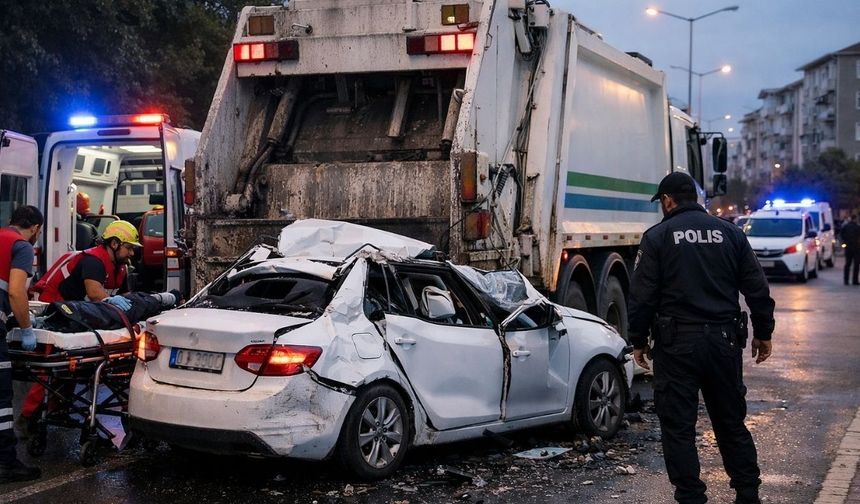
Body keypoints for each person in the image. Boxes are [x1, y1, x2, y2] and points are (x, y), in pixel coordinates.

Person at [628, 172, 775, 504]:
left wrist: (638, 340)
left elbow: (642, 296)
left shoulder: (658, 237)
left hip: (677, 344)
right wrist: (764, 333)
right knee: (729, 421)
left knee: (679, 426)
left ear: (667, 201)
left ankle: (691, 496)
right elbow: (756, 287)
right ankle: (748, 493)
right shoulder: (731, 233)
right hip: (724, 341)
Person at [21, 220, 141, 427]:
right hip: (53, 309)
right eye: (128, 248)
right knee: (53, 367)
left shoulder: (120, 268)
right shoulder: (94, 261)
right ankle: (28, 416)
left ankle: (58, 409)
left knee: (71, 367)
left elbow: (124, 297)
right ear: (114, 244)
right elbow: (96, 294)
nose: (131, 253)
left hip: (73, 311)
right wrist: (110, 304)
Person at [0, 205, 43, 483]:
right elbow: (16, 291)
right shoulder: (22, 246)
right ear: (36, 228)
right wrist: (26, 327)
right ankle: (7, 463)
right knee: (2, 400)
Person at [841, 215, 860, 286]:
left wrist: (844, 242)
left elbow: (841, 234)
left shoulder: (846, 226)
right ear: (855, 219)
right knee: (856, 264)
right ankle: (855, 280)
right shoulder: (857, 227)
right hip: (856, 248)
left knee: (848, 264)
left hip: (848, 247)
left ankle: (846, 280)